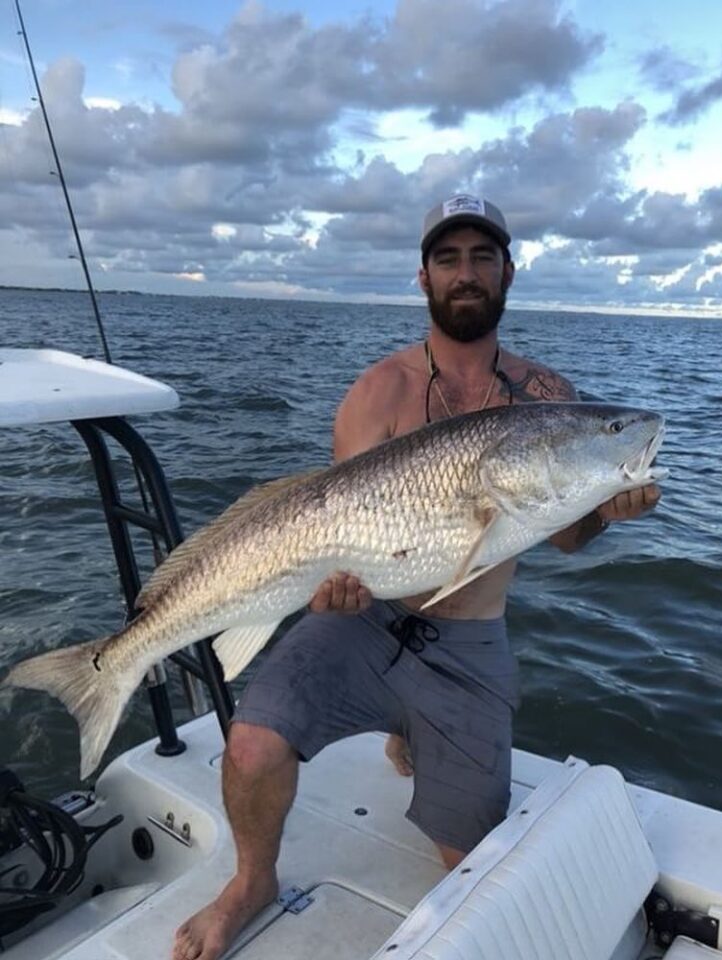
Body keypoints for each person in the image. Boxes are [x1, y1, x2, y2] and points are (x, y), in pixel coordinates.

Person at [172, 195, 661, 960]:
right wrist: (331, 591)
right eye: (448, 258)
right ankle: (250, 883)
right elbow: (332, 530)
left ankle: (415, 731)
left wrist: (605, 508)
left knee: (474, 872)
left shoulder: (547, 400)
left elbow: (566, 535)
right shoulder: (377, 393)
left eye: (481, 257)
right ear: (424, 276)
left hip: (469, 644)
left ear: (507, 270)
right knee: (250, 745)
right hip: (359, 620)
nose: (465, 273)